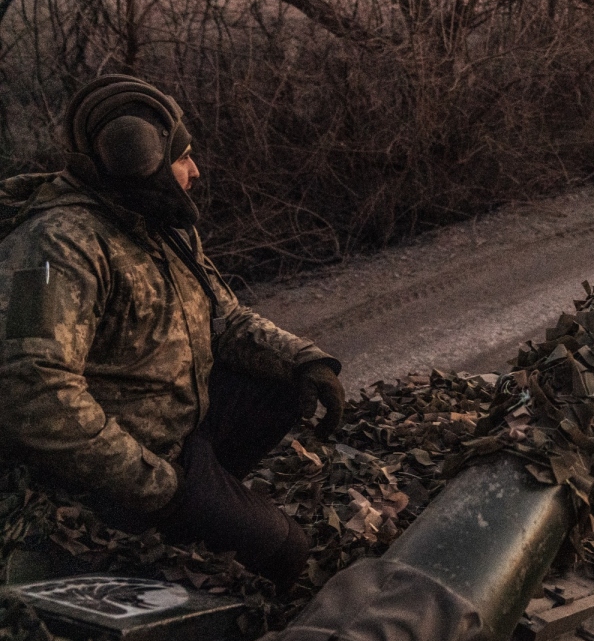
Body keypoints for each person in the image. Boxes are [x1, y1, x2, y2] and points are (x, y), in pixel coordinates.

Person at [0, 75, 347, 590]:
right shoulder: (56, 246)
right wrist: (158, 485)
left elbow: (225, 317)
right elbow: (34, 390)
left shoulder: (159, 221)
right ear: (138, 159)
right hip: (119, 470)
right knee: (288, 552)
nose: (196, 170)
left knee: (282, 384)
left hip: (181, 434)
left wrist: (305, 359)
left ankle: (200, 511)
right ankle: (165, 523)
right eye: (183, 158)